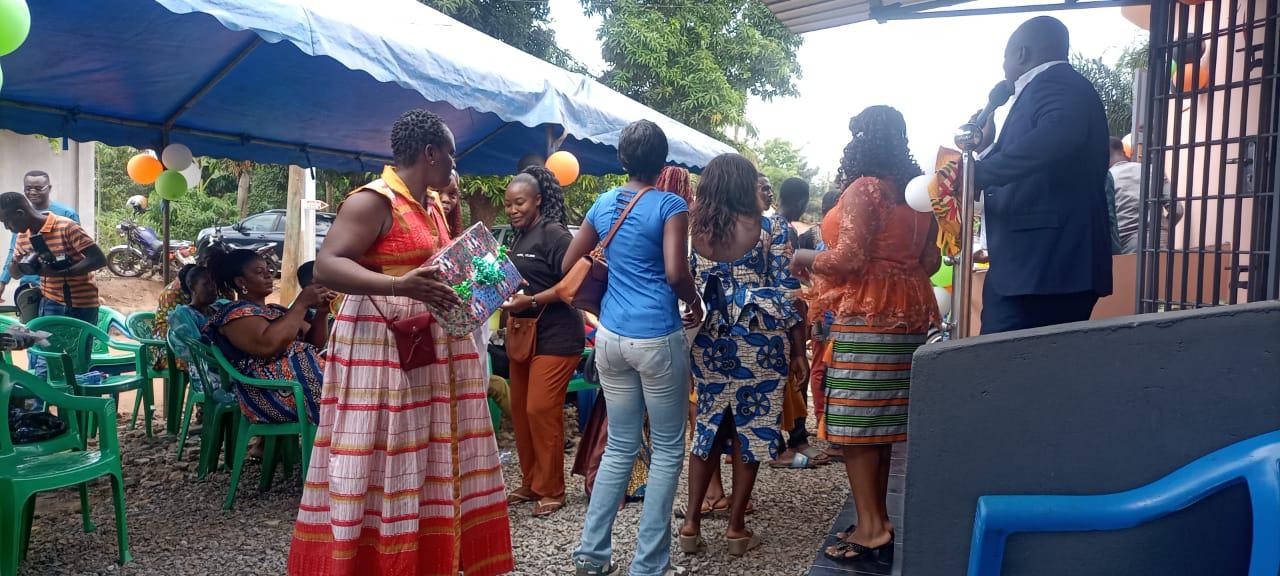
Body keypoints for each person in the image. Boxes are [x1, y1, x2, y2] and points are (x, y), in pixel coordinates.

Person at [289, 109, 514, 576]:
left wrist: (488, 280)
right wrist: (398, 285)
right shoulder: (373, 201)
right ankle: (371, 558)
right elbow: (328, 265)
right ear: (430, 153)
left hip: (426, 350)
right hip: (381, 349)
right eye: (450, 155)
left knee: (420, 454)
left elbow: (438, 267)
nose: (454, 165)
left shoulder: (430, 204)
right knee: (381, 450)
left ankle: (424, 556)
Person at [790, 106, 941, 564]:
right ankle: (876, 519)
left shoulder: (866, 188)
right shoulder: (917, 194)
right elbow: (931, 261)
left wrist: (803, 257)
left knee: (856, 425)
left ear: (864, 140)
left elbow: (849, 258)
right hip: (910, 315)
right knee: (880, 425)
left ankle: (872, 529)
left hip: (867, 316)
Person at [567, 119, 702, 576]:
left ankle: (591, 555)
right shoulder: (670, 204)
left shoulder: (603, 203)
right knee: (666, 450)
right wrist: (694, 300)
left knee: (620, 446)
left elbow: (570, 262)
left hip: (610, 337)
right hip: (656, 336)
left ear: (622, 158)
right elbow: (675, 273)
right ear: (663, 162)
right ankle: (648, 565)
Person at [678, 153, 805, 557]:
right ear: (743, 184)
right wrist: (799, 349)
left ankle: (691, 523)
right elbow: (789, 293)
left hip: (709, 340)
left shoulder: (693, 230)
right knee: (753, 427)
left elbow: (683, 281)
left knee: (708, 424)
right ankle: (735, 528)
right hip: (760, 341)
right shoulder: (771, 228)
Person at [972, 16, 1112, 334]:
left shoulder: (1057, 83)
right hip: (1032, 268)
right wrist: (988, 149)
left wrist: (982, 172)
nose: (1003, 67)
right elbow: (1041, 160)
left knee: (1004, 360)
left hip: (1045, 267)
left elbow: (1057, 137)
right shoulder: (1051, 88)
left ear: (1021, 53)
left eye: (1005, 57)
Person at [499, 165, 586, 517]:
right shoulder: (518, 236)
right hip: (524, 335)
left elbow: (573, 285)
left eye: (519, 203)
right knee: (521, 412)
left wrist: (531, 299)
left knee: (540, 409)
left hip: (558, 336)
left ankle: (552, 489)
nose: (512, 210)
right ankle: (531, 481)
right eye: (508, 204)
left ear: (537, 200)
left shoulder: (554, 234)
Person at [204, 249, 329, 424]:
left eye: (268, 270)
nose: (268, 275)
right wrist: (301, 303)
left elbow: (314, 343)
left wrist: (322, 312)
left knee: (350, 387)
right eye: (259, 272)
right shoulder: (235, 314)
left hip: (298, 386)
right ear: (241, 282)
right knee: (341, 399)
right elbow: (267, 346)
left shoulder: (275, 311)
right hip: (267, 393)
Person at [772, 175, 823, 468]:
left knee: (790, 379)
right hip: (787, 313)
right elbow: (787, 280)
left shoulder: (775, 225)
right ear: (802, 201)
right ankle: (792, 441)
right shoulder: (782, 229)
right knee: (794, 375)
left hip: (781, 312)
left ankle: (793, 439)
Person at [0, 191, 103, 327]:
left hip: (81, 305)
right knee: (47, 341)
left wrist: (62, 272)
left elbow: (98, 259)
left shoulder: (66, 227)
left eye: (6, 221)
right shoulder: (22, 236)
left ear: (20, 213)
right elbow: (16, 275)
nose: (6, 227)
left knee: (79, 341)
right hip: (50, 302)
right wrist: (16, 264)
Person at [0, 171, 81, 322]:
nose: (32, 192)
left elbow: (79, 253)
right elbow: (14, 251)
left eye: (38, 188)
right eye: (28, 188)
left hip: (60, 290)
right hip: (30, 286)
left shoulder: (66, 215)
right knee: (32, 329)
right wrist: (3, 280)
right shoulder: (17, 219)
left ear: (49, 188)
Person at [167, 265, 233, 403]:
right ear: (192, 288)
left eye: (214, 283)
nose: (213, 288)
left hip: (228, 367)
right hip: (206, 375)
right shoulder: (184, 314)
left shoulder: (220, 307)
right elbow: (200, 351)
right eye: (206, 284)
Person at [1110, 137, 1182, 254]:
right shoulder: (1153, 170)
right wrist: (1161, 230)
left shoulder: (1106, 179)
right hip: (1158, 244)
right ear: (1124, 152)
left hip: (1127, 249)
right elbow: (1177, 210)